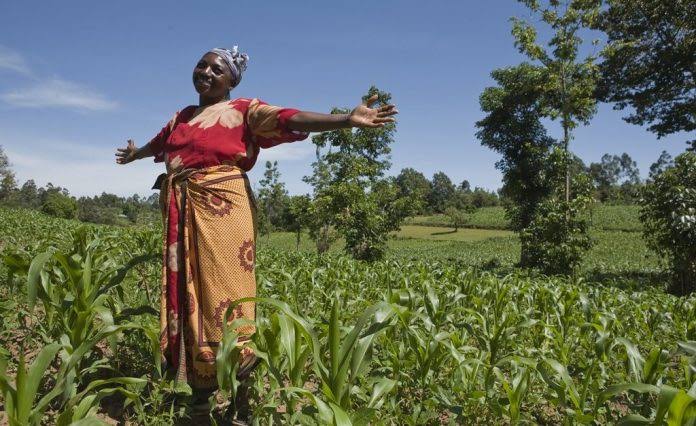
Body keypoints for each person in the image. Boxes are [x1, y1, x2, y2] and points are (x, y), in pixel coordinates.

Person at [115, 45, 398, 421]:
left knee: (227, 301)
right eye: (202, 65)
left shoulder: (243, 110)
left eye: (217, 69)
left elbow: (290, 117)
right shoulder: (181, 117)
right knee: (189, 296)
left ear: (232, 80)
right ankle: (200, 397)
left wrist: (345, 119)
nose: (206, 72)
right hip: (181, 211)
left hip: (223, 210)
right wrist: (137, 154)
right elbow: (160, 144)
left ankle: (241, 397)